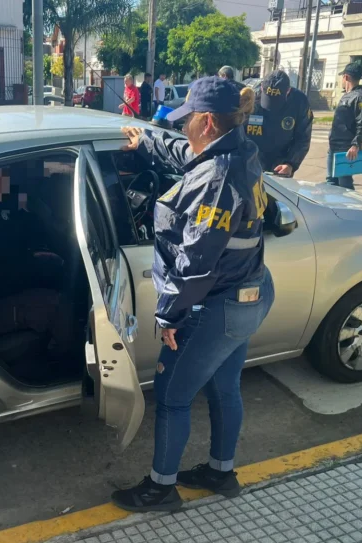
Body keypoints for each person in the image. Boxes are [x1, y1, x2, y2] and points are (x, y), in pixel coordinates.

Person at [110, 77, 275, 513]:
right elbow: (190, 154)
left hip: (219, 304)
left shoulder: (216, 180)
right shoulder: (240, 152)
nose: (183, 128)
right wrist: (148, 142)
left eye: (187, 121)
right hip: (248, 294)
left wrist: (168, 316)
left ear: (205, 121)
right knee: (224, 385)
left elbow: (195, 263)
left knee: (172, 395)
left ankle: (160, 489)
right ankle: (221, 472)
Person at [246, 70, 313, 177]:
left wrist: (290, 163)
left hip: (281, 163)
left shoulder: (299, 102)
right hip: (251, 160)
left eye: (276, 100)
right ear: (262, 87)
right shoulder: (250, 97)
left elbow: (303, 137)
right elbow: (238, 131)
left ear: (288, 91)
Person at [327, 62, 362, 189]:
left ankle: (349, 208)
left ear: (346, 77)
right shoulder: (347, 96)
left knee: (345, 185)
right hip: (334, 146)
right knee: (331, 182)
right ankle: (333, 208)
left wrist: (355, 145)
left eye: (342, 77)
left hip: (346, 149)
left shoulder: (360, 98)